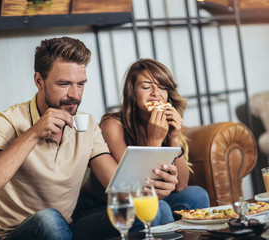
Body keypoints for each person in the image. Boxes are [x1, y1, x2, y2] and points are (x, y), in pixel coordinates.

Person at [0, 37, 123, 240]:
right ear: (39, 81)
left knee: (155, 210)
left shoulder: (86, 124)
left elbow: (120, 186)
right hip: (11, 234)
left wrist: (154, 184)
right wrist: (33, 133)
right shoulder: (8, 121)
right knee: (49, 220)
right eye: (64, 84)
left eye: (81, 84)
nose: (75, 95)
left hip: (64, 229)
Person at [82, 58, 210, 226]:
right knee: (159, 207)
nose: (156, 93)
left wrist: (173, 137)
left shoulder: (166, 122)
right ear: (133, 93)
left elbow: (182, 186)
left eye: (163, 87)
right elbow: (134, 186)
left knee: (197, 195)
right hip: (104, 207)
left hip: (149, 199)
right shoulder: (112, 125)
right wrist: (154, 139)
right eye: (146, 86)